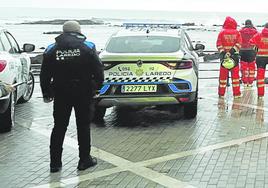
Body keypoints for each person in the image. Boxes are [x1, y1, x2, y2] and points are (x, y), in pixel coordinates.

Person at [40, 20, 104, 173]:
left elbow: (44, 74)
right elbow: (99, 69)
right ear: (78, 31)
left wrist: (46, 92)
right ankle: (84, 160)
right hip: (83, 92)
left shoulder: (51, 49)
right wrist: (97, 88)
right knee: (83, 126)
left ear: (63, 31)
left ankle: (55, 163)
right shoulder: (88, 47)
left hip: (61, 93)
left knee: (59, 127)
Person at [216, 16, 242, 98]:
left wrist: (224, 53)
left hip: (224, 58)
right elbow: (239, 44)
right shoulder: (237, 33)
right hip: (234, 57)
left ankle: (221, 94)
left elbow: (218, 44)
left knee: (223, 77)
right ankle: (236, 94)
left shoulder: (221, 33)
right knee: (235, 77)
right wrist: (231, 52)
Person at [250, 23, 268, 99]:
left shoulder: (259, 35)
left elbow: (251, 42)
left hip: (260, 57)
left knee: (260, 77)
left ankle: (260, 95)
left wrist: (257, 50)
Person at [239, 19, 258, 87]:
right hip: (252, 51)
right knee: (252, 67)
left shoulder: (240, 31)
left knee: (244, 67)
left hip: (243, 51)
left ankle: (245, 82)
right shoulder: (255, 32)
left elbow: (238, 41)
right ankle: (250, 82)